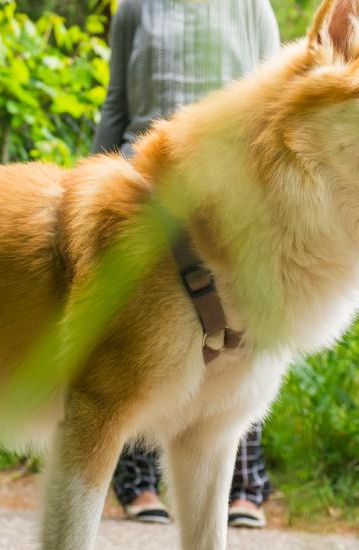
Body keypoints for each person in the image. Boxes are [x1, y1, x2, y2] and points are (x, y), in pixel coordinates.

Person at [92, 0, 280, 529]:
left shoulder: (253, 8)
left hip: (228, 188)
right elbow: (116, 103)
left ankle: (247, 486)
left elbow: (275, 101)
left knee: (244, 337)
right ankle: (137, 483)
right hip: (145, 181)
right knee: (133, 341)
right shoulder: (133, 8)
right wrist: (92, 176)